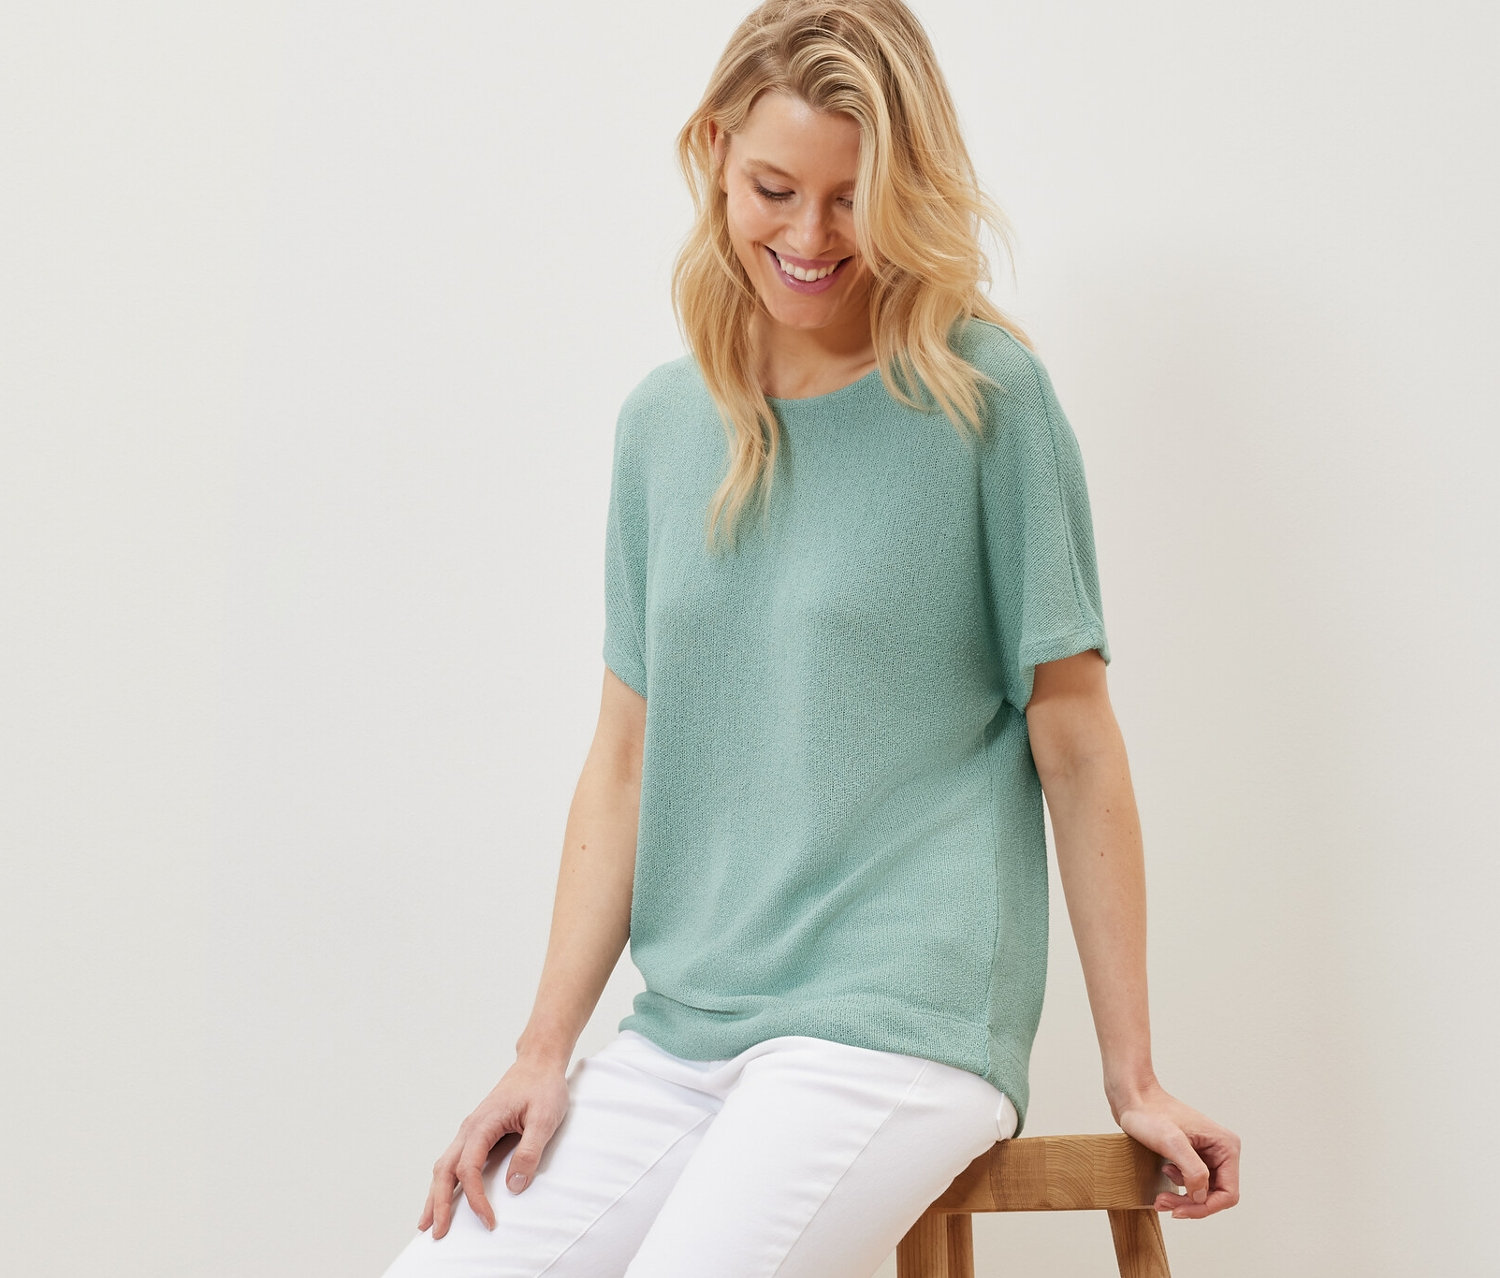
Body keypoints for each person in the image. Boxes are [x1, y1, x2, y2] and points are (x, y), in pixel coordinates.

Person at [380, 2, 1240, 1274]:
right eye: (775, 189)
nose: (811, 236)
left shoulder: (988, 401)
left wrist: (1137, 1075)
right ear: (715, 154)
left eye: (854, 198)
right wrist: (542, 1049)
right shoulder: (664, 429)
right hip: (686, 1026)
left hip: (899, 1019)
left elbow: (1076, 743)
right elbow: (626, 756)